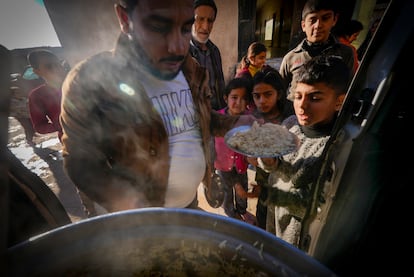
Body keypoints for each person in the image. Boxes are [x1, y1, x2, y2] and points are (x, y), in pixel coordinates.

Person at [59, 0, 258, 213]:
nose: (178, 47)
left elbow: (199, 118)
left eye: (184, 29)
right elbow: (79, 162)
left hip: (190, 206)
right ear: (125, 19)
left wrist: (236, 123)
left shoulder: (191, 69)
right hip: (141, 225)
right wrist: (125, 201)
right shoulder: (89, 82)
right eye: (159, 27)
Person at [255, 55, 351, 247]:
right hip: (274, 222)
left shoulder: (332, 148)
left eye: (315, 98)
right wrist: (267, 160)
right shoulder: (290, 125)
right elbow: (275, 167)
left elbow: (310, 207)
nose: (302, 106)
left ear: (339, 101)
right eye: (298, 96)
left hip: (297, 238)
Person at [279, 0, 354, 102]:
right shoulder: (291, 58)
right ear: (303, 25)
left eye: (325, 18)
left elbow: (348, 89)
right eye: (312, 20)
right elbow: (279, 91)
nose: (318, 25)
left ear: (334, 20)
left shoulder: (345, 54)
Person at [243, 70, 289, 230]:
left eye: (268, 94)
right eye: (257, 96)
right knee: (263, 225)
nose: (262, 101)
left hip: (287, 187)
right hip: (265, 186)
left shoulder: (293, 118)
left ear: (280, 93)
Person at [214, 77, 255, 223]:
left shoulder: (249, 120)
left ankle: (242, 210)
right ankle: (231, 214)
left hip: (241, 165)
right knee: (227, 192)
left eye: (244, 98)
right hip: (222, 165)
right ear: (226, 98)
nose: (239, 103)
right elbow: (208, 141)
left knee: (242, 190)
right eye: (234, 97)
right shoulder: (217, 118)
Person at [189, 0, 226, 111]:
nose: (205, 27)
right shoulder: (181, 53)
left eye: (210, 20)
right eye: (200, 19)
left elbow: (220, 86)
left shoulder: (215, 51)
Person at [27, 49, 67, 142]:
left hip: (100, 133)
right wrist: (60, 125)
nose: (57, 69)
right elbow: (39, 126)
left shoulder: (77, 82)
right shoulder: (37, 95)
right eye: (49, 66)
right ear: (37, 71)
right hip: (71, 141)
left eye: (58, 64)